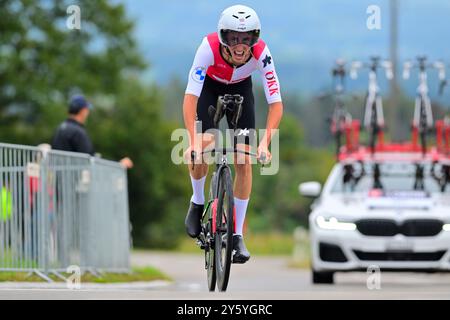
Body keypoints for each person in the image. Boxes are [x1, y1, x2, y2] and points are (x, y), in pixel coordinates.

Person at [183, 5, 283, 263]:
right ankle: (197, 201)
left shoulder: (261, 53)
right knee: (203, 145)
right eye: (234, 38)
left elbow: (276, 104)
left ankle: (237, 235)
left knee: (244, 159)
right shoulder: (208, 47)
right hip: (210, 89)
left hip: (241, 91)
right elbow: (190, 99)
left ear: (255, 38)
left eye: (247, 38)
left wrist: (265, 143)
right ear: (223, 37)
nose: (241, 46)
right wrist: (193, 140)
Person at [51, 95, 133, 169]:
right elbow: (91, 159)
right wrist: (119, 164)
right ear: (83, 111)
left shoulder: (60, 127)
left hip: (57, 180)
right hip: (71, 181)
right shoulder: (78, 132)